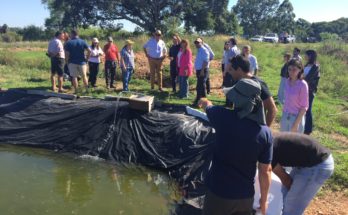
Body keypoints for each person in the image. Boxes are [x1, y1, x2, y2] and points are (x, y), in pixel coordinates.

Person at [199, 79, 273, 215]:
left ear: (236, 99)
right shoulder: (265, 133)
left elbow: (207, 105)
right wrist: (263, 200)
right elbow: (265, 171)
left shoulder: (222, 116)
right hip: (245, 198)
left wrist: (203, 100)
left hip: (218, 193)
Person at [272, 132, 334, 215]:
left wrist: (297, 195)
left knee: (291, 207)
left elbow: (286, 179)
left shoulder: (268, 152)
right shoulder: (266, 139)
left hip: (317, 166)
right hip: (306, 161)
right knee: (285, 195)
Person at [227, 55, 278, 127]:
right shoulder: (239, 83)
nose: (229, 72)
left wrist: (265, 131)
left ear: (239, 69)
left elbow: (272, 109)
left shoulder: (258, 84)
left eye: (230, 69)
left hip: (254, 132)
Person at [280, 59, 309, 133]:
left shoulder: (303, 85)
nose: (291, 72)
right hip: (285, 116)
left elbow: (304, 107)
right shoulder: (287, 81)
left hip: (296, 118)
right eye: (289, 69)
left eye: (294, 69)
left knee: (294, 144)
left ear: (300, 69)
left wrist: (296, 124)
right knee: (283, 142)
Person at [303, 50, 320, 135]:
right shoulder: (306, 65)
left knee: (308, 109)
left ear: (310, 56)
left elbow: (308, 78)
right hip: (302, 89)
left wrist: (300, 80)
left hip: (309, 91)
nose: (304, 56)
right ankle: (303, 126)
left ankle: (308, 130)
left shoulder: (315, 67)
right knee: (302, 108)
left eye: (306, 55)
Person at [193, 38, 210, 106]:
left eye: (198, 42)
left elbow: (206, 61)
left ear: (202, 43)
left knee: (201, 86)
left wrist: (202, 70)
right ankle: (199, 101)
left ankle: (202, 101)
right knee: (199, 86)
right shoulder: (199, 50)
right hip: (199, 70)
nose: (196, 44)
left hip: (203, 70)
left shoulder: (204, 50)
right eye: (196, 43)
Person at [224, 38, 240, 106]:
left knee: (228, 87)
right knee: (233, 87)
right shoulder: (238, 50)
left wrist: (225, 71)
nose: (228, 43)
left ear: (232, 42)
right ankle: (232, 103)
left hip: (230, 71)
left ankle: (228, 103)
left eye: (229, 42)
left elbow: (229, 63)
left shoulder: (232, 50)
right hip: (235, 71)